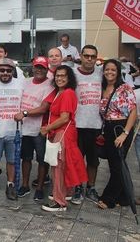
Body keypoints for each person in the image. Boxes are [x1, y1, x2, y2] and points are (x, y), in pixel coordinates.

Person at [40, 65, 87, 212]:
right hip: (62, 133)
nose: (59, 78)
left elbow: (64, 118)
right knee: (63, 165)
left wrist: (47, 128)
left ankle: (59, 202)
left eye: (63, 76)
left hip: (62, 134)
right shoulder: (60, 92)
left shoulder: (67, 93)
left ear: (69, 78)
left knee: (58, 167)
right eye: (57, 75)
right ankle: (64, 193)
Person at [97, 59, 137, 210]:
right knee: (114, 163)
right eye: (107, 69)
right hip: (108, 128)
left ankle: (109, 198)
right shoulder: (102, 87)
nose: (109, 72)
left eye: (113, 70)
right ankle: (125, 197)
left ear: (118, 72)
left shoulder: (124, 88)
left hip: (120, 128)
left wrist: (125, 133)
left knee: (117, 164)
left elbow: (133, 112)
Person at [13, 57, 54, 201]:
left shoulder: (50, 85)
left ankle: (40, 187)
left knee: (42, 160)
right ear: (32, 67)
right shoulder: (26, 82)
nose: (39, 70)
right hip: (25, 128)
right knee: (26, 158)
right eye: (37, 67)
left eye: (42, 68)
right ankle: (24, 185)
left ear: (47, 69)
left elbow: (44, 108)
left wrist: (24, 113)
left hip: (40, 129)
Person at [0, 58, 23, 200]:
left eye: (9, 70)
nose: (5, 73)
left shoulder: (20, 83)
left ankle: (11, 185)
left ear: (13, 71)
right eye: (2, 70)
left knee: (12, 161)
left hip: (14, 131)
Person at [72, 45, 102, 204]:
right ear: (81, 57)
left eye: (93, 56)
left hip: (96, 125)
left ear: (96, 58)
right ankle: (77, 187)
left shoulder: (101, 73)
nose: (89, 59)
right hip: (78, 125)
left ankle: (91, 187)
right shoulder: (74, 74)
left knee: (93, 161)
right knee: (77, 160)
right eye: (87, 56)